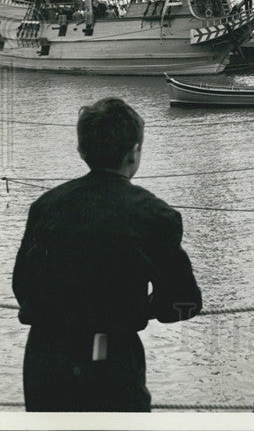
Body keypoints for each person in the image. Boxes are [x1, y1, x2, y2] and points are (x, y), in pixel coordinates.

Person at [12, 98, 202, 411]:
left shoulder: (46, 206)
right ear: (135, 152)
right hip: (111, 361)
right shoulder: (155, 214)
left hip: (45, 361)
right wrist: (142, 308)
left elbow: (23, 287)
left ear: (81, 149)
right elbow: (184, 302)